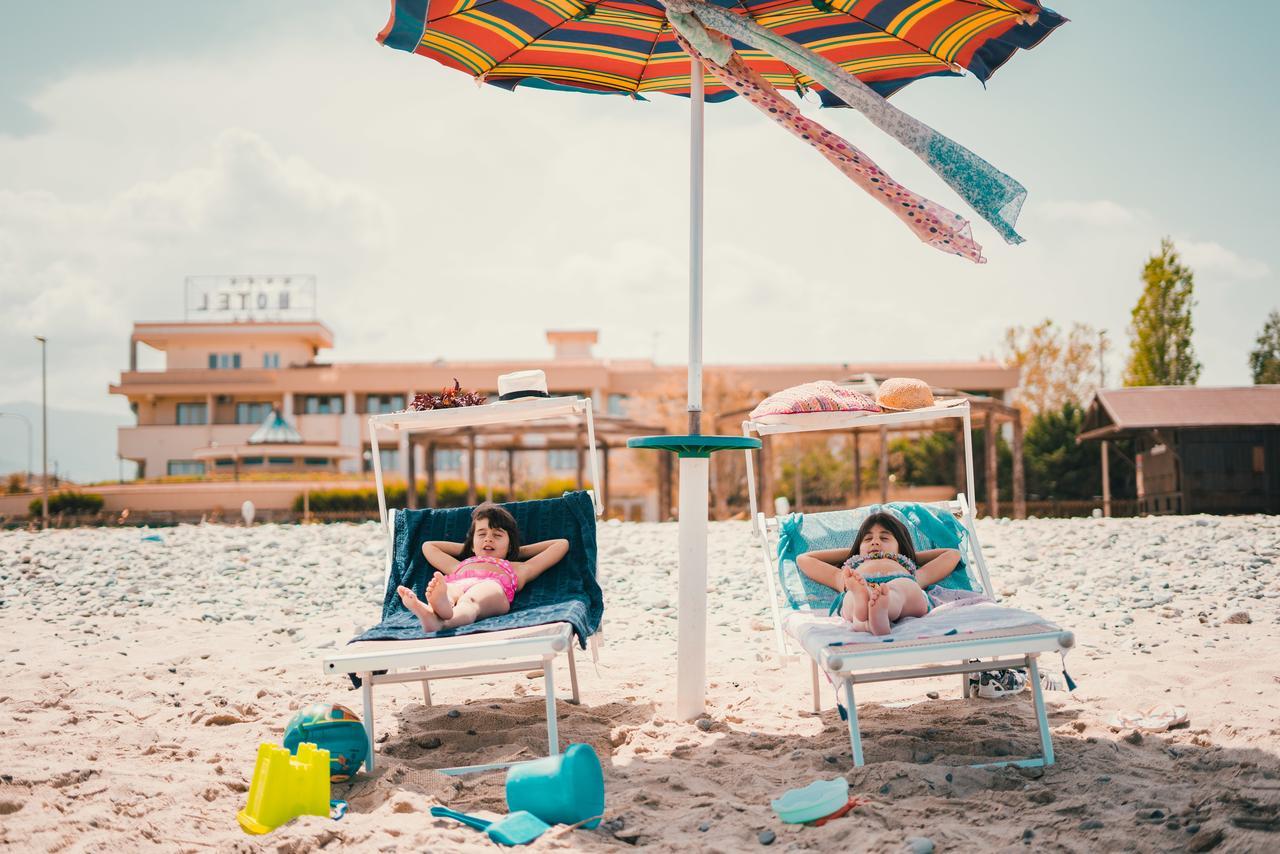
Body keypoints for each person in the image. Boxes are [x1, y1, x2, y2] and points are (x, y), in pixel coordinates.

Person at [396, 502, 568, 632]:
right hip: (459, 582)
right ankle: (434, 610)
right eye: (482, 534)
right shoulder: (459, 566)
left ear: (510, 545)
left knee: (469, 602)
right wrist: (470, 549)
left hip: (492, 587)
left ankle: (445, 621)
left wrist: (515, 551)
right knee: (448, 591)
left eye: (497, 535)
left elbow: (561, 544)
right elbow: (428, 546)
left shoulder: (517, 568)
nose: (488, 539)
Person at [796, 511, 968, 635]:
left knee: (896, 591)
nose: (875, 542)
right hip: (859, 584)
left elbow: (952, 554)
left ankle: (876, 607)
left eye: (884, 538)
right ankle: (870, 617)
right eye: (868, 539)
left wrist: (907, 556)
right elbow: (803, 559)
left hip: (901, 582)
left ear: (900, 546)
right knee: (850, 596)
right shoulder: (847, 573)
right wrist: (853, 554)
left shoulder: (912, 571)